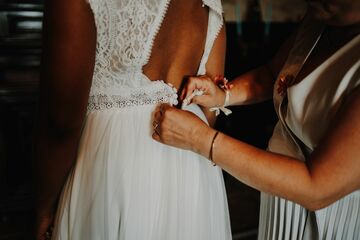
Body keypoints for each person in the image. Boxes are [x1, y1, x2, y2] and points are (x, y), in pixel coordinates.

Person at [153, 0, 360, 239]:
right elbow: (274, 74)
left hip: (328, 217)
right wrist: (223, 96)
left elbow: (317, 188)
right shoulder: (321, 18)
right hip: (279, 198)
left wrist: (199, 138)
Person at [34, 0, 232, 239]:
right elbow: (209, 105)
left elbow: (62, 122)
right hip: (192, 172)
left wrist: (44, 206)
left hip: (113, 168)